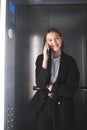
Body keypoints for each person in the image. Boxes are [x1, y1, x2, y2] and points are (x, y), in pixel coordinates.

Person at [26, 27, 80, 130]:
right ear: (46, 43)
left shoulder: (70, 61)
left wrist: (50, 86)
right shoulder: (41, 58)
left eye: (56, 38)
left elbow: (70, 90)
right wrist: (45, 60)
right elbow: (40, 84)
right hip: (43, 105)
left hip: (62, 107)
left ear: (61, 39)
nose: (54, 42)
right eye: (49, 40)